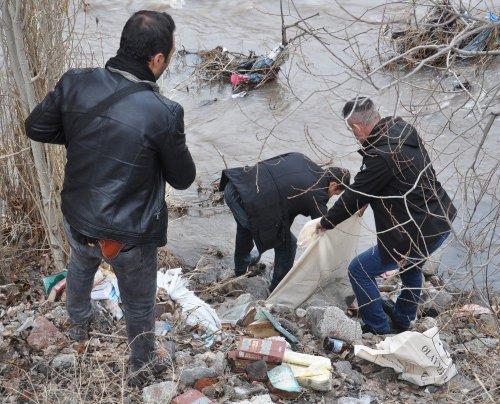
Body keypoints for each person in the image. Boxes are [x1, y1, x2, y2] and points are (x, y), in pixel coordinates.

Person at [25, 10, 196, 384]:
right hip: (127, 237)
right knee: (138, 303)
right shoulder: (164, 112)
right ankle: (141, 368)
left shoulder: (75, 82)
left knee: (81, 266)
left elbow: (36, 126)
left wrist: (83, 137)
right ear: (157, 60)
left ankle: (78, 329)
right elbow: (184, 179)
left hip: (77, 218)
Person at [316, 97, 457, 335]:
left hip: (416, 232)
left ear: (357, 128)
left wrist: (326, 222)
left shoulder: (381, 156)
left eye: (353, 131)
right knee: (411, 268)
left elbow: (354, 195)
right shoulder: (402, 129)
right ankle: (403, 321)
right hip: (440, 218)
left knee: (359, 270)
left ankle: (378, 327)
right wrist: (367, 198)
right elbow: (395, 180)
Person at [220, 152, 350, 291]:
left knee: (245, 227)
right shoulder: (317, 193)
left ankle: (241, 267)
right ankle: (277, 289)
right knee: (288, 246)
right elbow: (324, 226)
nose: (331, 197)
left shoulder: (301, 157)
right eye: (335, 194)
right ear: (333, 185)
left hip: (236, 185)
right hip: (245, 202)